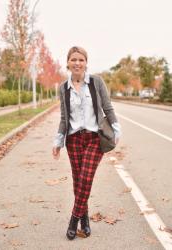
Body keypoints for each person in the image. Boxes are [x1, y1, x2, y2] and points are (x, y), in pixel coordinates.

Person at [52, 46, 121, 240]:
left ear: (85, 62)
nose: (77, 63)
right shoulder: (63, 88)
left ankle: (74, 219)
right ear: (68, 62)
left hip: (94, 137)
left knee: (86, 178)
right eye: (73, 59)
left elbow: (107, 107)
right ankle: (85, 220)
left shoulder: (96, 81)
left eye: (81, 59)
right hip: (73, 139)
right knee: (78, 181)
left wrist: (116, 128)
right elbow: (65, 118)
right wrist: (58, 141)